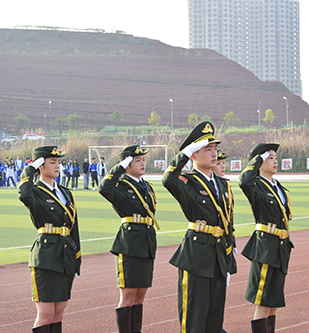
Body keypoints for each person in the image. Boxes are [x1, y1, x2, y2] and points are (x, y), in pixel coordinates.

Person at [162, 121, 232, 333]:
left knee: (214, 321)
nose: (214, 154)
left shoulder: (222, 183)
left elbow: (227, 220)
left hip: (218, 255)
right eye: (207, 149)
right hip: (197, 256)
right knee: (194, 320)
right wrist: (185, 153)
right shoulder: (187, 181)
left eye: (215, 149)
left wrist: (229, 256)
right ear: (194, 154)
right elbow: (168, 179)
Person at [18, 145, 81, 333]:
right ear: (40, 166)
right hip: (46, 256)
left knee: (59, 313)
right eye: (52, 162)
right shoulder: (35, 191)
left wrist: (77, 257)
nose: (57, 166)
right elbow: (23, 193)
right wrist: (30, 168)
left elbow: (73, 227)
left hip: (65, 255)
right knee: (45, 314)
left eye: (58, 162)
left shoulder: (66, 192)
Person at [99, 145, 159, 333]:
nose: (143, 163)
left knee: (140, 294)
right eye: (137, 160)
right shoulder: (120, 185)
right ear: (127, 163)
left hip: (147, 241)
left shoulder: (147, 186)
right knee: (128, 295)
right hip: (130, 243)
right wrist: (120, 166)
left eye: (143, 160)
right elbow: (103, 187)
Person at [239, 143, 294, 333]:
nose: (275, 160)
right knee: (262, 301)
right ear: (259, 161)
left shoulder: (278, 187)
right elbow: (243, 180)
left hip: (281, 247)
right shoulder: (256, 186)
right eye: (270, 157)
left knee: (273, 301)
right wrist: (257, 160)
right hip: (266, 247)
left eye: (275, 157)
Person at [213, 151, 237, 333]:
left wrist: (233, 242)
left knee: (221, 289)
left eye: (223, 163)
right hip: (213, 241)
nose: (223, 166)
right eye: (219, 163)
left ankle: (218, 326)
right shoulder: (212, 186)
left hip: (225, 243)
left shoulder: (225, 186)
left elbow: (229, 219)